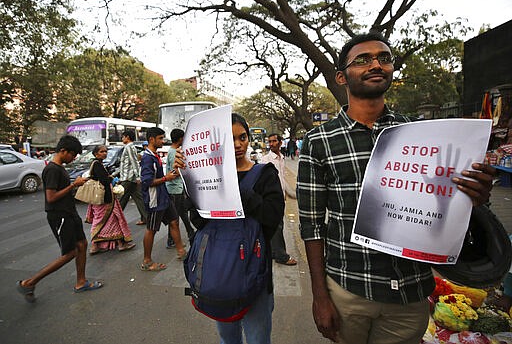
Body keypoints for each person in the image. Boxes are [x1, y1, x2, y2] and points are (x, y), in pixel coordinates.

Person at [296, 32, 495, 344]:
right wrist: (320, 297)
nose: (376, 64)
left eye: (383, 58)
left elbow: (445, 209)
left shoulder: (424, 135)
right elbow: (311, 225)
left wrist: (473, 199)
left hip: (411, 292)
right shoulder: (319, 141)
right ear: (341, 77)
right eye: (362, 60)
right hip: (349, 289)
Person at [174, 113, 284, 344]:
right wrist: (191, 178)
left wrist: (236, 189)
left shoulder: (265, 174)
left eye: (242, 137)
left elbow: (273, 220)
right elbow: (198, 220)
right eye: (229, 139)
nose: (237, 145)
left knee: (258, 338)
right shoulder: (208, 178)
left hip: (255, 274)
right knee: (228, 338)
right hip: (219, 273)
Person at [16, 135, 103, 302]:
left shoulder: (60, 167)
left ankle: (81, 282)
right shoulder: (52, 170)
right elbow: (51, 197)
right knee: (70, 253)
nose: (74, 158)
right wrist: (73, 185)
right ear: (63, 151)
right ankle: (30, 282)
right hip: (60, 215)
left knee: (82, 244)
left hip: (70, 212)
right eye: (72, 154)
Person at [140, 127, 185, 271]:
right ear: (152, 139)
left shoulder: (154, 155)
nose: (163, 141)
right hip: (155, 200)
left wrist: (172, 174)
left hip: (163, 197)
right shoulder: (148, 158)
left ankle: (181, 252)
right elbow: (147, 182)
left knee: (174, 222)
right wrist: (167, 178)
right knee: (151, 229)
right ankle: (147, 261)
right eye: (160, 138)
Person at [85, 145, 136, 254]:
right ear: (96, 154)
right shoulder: (97, 165)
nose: (104, 153)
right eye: (102, 151)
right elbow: (103, 180)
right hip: (103, 199)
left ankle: (118, 243)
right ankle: (96, 245)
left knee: (113, 220)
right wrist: (111, 179)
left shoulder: (99, 164)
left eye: (105, 151)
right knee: (107, 220)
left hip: (102, 198)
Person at [261, 133, 297, 266]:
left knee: (275, 226)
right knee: (277, 227)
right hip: (271, 199)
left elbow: (281, 179)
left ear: (280, 143)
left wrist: (291, 193)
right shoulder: (266, 160)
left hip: (280, 198)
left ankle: (273, 252)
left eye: (274, 141)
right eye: (269, 141)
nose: (271, 144)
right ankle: (281, 256)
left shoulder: (281, 158)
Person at [165, 128, 195, 247]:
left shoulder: (174, 150)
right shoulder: (174, 153)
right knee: (174, 217)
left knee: (182, 212)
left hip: (178, 188)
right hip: (174, 189)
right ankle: (171, 240)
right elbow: (174, 172)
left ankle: (190, 232)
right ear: (180, 139)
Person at [118, 130, 148, 226]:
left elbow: (134, 162)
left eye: (123, 137)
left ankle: (115, 220)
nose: (122, 139)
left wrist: (138, 176)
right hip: (130, 178)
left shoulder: (129, 147)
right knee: (139, 199)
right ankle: (146, 218)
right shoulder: (130, 147)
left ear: (127, 137)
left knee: (120, 200)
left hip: (129, 178)